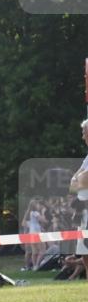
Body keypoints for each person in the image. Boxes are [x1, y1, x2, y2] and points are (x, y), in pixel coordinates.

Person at [70, 118, 88, 279]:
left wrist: (80, 179)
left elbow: (81, 180)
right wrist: (80, 179)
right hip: (82, 211)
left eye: (84, 133)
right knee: (84, 254)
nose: (83, 137)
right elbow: (73, 183)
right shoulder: (87, 158)